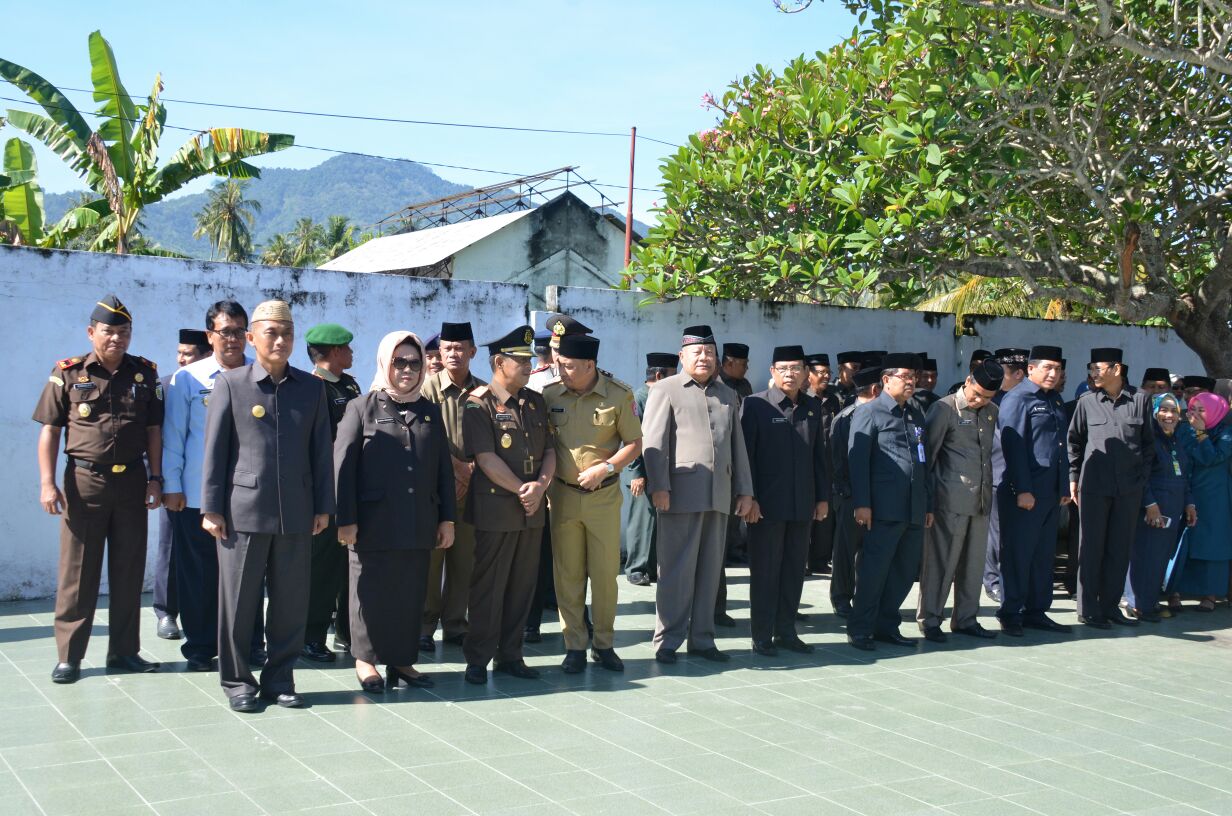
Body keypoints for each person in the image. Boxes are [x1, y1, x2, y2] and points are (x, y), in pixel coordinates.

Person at [201, 300, 334, 712]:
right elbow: (216, 452)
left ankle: (280, 678)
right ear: (251, 337)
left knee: (291, 601)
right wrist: (211, 507)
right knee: (239, 603)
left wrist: (323, 507)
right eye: (271, 333)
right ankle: (238, 681)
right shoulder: (231, 384)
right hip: (242, 512)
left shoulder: (312, 389)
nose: (280, 340)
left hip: (296, 510)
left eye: (287, 333)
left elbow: (320, 454)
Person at [34, 295, 164, 684]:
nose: (117, 338)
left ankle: (124, 652)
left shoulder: (145, 373)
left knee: (128, 570)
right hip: (84, 482)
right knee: (79, 572)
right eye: (109, 331)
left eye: (124, 332)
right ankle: (69, 657)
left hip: (131, 484)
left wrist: (155, 478)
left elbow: (154, 431)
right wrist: (47, 483)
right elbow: (50, 431)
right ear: (92, 332)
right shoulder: (68, 373)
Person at [334, 331, 455, 692]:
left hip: (418, 519)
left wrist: (446, 518)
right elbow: (342, 465)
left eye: (414, 362)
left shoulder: (428, 410)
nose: (407, 369)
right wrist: (346, 519)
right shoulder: (362, 406)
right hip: (371, 523)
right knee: (368, 592)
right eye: (399, 362)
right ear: (385, 363)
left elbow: (442, 470)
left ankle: (402, 661)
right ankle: (365, 660)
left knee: (409, 591)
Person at [163, 301, 267, 672]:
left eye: (240, 331)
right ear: (210, 336)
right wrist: (172, 485)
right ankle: (202, 645)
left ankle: (252, 643)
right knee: (199, 575)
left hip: (245, 495)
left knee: (249, 573)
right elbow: (173, 436)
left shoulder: (261, 375)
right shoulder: (188, 379)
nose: (234, 339)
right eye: (226, 331)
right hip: (194, 494)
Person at [642, 325, 754, 664]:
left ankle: (703, 639)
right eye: (697, 352)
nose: (704, 358)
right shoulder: (666, 389)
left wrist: (745, 491)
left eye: (710, 353)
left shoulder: (726, 394)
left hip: (718, 494)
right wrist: (659, 486)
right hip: (679, 494)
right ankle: (667, 640)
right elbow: (653, 443)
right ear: (682, 357)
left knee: (709, 571)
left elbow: (738, 446)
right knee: (675, 571)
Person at [461, 326, 555, 684]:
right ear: (499, 362)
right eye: (521, 360)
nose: (529, 365)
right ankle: (478, 658)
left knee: (522, 586)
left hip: (531, 512)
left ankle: (511, 655)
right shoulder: (478, 402)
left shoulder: (535, 401)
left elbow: (548, 450)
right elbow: (485, 458)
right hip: (498, 509)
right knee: (490, 586)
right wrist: (523, 490)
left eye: (530, 359)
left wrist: (541, 487)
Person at [543, 334, 642, 673]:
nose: (562, 371)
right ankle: (574, 645)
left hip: (603, 498)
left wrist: (607, 467)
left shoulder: (619, 395)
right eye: (560, 364)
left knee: (603, 576)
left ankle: (604, 643)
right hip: (563, 496)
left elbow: (635, 443)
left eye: (569, 366)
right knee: (567, 574)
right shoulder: (550, 394)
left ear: (590, 365)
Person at [741, 345, 830, 655]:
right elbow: (746, 458)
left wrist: (822, 498)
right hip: (765, 507)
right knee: (765, 573)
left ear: (805, 372)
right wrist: (749, 498)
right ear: (772, 372)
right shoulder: (755, 406)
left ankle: (787, 632)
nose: (790, 374)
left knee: (794, 570)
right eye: (784, 368)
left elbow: (820, 456)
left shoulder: (812, 407)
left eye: (796, 368)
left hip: (801, 504)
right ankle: (762, 635)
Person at [846, 353, 934, 650]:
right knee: (874, 571)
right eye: (905, 377)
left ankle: (886, 625)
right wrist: (862, 503)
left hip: (913, 507)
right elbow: (857, 462)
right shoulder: (869, 412)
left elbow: (924, 462)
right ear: (886, 380)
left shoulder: (916, 413)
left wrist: (928, 505)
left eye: (914, 378)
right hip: (882, 508)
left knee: (904, 572)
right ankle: (860, 628)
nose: (911, 383)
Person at [917, 358, 1003, 642]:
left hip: (980, 501)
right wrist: (927, 502)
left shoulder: (991, 411)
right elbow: (927, 458)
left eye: (987, 397)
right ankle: (930, 619)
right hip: (948, 501)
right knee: (941, 563)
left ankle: (966, 618)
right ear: (967, 381)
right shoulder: (944, 409)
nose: (979, 401)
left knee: (973, 564)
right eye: (976, 393)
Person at [1068, 348, 1155, 628]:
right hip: (1093, 487)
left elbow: (1149, 446)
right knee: (1091, 548)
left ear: (1116, 369)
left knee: (1119, 549)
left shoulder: (1141, 401)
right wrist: (1073, 477)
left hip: (1128, 490)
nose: (1093, 374)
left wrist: (1140, 481)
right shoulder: (1086, 402)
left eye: (1098, 368)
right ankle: (1088, 609)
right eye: (1091, 369)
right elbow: (1075, 443)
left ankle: (1110, 606)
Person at [993, 346, 1071, 637]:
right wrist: (1023, 490)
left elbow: (1060, 447)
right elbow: (1014, 448)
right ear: (1030, 369)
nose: (1053, 373)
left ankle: (1037, 611)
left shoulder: (1056, 400)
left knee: (1042, 555)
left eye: (1057, 369)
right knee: (1018, 554)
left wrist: (1063, 486)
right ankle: (1011, 612)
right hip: (1024, 493)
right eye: (1047, 368)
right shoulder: (1018, 398)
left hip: (1050, 492)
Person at [525, 313, 592, 642]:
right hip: (545, 485)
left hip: (581, 485)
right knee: (538, 556)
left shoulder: (595, 384)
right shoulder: (538, 384)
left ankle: (581, 617)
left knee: (580, 559)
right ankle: (531, 620)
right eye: (555, 348)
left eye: (563, 348)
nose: (557, 355)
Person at [420, 321, 485, 651]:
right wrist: (457, 467)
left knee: (464, 561)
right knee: (431, 561)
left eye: (460, 348)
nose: (453, 354)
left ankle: (456, 624)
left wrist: (473, 469)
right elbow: (422, 436)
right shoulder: (426, 389)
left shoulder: (486, 391)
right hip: (436, 491)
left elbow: (496, 438)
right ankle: (425, 625)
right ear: (439, 353)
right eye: (447, 348)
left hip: (473, 490)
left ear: (472, 351)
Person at [301, 323, 362, 663]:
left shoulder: (350, 384)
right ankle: (311, 636)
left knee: (348, 565)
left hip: (352, 487)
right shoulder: (314, 388)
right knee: (322, 567)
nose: (352, 353)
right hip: (328, 490)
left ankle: (346, 632)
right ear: (335, 352)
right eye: (347, 348)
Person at [153, 328, 211, 641]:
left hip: (207, 485)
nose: (180, 359)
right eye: (179, 353)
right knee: (170, 546)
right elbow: (158, 436)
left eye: (187, 354)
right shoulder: (166, 384)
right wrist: (163, 480)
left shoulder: (214, 382)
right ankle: (165, 612)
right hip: (175, 482)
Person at [1125, 394, 1195, 620]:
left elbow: (1183, 476)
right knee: (1145, 555)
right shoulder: (1150, 440)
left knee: (1159, 558)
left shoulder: (1175, 441)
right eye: (1164, 410)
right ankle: (1138, 604)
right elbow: (1140, 476)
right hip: (1153, 509)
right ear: (1154, 413)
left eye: (1173, 411)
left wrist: (1189, 502)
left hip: (1173, 509)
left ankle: (1150, 601)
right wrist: (1150, 504)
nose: (1169, 415)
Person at [828, 365, 882, 617]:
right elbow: (839, 459)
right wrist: (848, 496)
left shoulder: (883, 414)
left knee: (871, 551)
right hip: (850, 494)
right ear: (875, 389)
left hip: (876, 494)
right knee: (845, 549)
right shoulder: (846, 417)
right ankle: (841, 596)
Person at [1173, 392, 1232, 611]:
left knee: (1213, 543)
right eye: (1192, 409)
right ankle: (1174, 591)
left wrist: (1201, 432)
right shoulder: (1181, 430)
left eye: (1202, 410)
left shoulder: (1226, 433)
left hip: (1214, 496)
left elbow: (1211, 457)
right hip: (1185, 491)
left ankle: (1210, 595)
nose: (1195, 414)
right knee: (1182, 542)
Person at [622, 353, 676, 586]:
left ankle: (652, 567)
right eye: (672, 375)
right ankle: (636, 568)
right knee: (643, 521)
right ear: (658, 375)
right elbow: (631, 439)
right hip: (642, 470)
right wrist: (637, 474)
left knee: (656, 522)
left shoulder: (663, 396)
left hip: (660, 470)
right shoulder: (639, 397)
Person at [983, 346, 1032, 601]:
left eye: (1003, 372)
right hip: (998, 473)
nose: (997, 377)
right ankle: (992, 580)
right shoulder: (994, 400)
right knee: (996, 532)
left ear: (1019, 374)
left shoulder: (1030, 399)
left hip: (1024, 478)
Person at [716, 340, 753, 625]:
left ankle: (717, 608)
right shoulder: (716, 387)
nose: (746, 368)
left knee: (722, 543)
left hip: (734, 471)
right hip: (708, 474)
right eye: (742, 363)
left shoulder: (744, 387)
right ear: (728, 363)